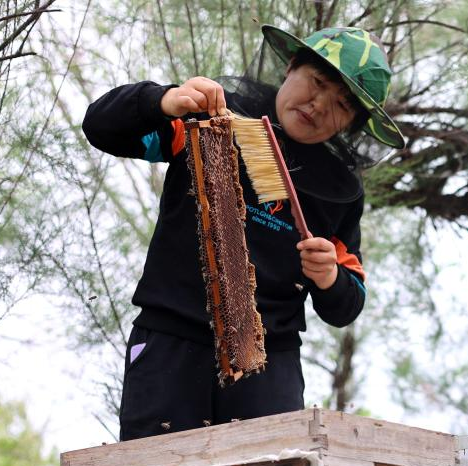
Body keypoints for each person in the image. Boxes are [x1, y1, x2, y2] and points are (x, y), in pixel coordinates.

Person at [82, 25, 406, 441]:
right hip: (171, 343)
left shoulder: (340, 193)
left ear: (352, 124)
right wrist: (162, 100)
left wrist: (329, 277)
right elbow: (100, 126)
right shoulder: (208, 119)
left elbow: (348, 303)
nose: (319, 104)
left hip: (269, 368)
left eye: (342, 105)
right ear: (292, 66)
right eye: (318, 82)